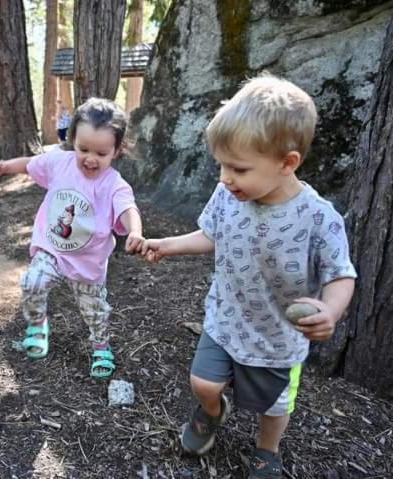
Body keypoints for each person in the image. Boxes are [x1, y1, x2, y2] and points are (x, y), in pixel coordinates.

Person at [140, 73, 357, 478]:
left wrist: (330, 311)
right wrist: (167, 245)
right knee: (203, 384)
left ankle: (267, 450)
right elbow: (211, 235)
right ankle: (211, 411)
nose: (224, 178)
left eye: (237, 168)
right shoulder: (229, 194)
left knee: (274, 407)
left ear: (286, 162)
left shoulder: (318, 218)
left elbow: (341, 274)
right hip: (226, 318)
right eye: (222, 164)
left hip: (278, 337)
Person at [0, 97, 144, 379]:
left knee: (94, 310)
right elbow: (33, 164)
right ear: (72, 139)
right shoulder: (60, 163)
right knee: (32, 281)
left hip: (88, 263)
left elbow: (127, 208)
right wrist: (5, 166)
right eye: (83, 149)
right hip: (53, 250)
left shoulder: (113, 185)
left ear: (117, 150)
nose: (90, 158)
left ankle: (101, 346)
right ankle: (37, 325)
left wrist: (134, 231)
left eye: (101, 153)